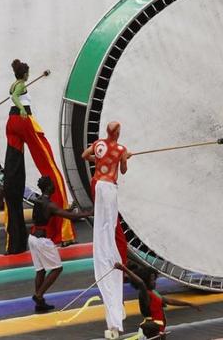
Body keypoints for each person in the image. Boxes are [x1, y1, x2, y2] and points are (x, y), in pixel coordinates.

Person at [3, 59, 75, 254]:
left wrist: (16, 108)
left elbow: (14, 95)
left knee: (12, 174)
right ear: (25, 74)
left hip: (11, 122)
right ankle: (63, 232)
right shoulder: (21, 85)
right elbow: (17, 97)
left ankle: (15, 241)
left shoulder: (13, 84)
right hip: (24, 120)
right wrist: (21, 109)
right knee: (49, 166)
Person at [81, 121, 131, 338]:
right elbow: (123, 171)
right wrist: (125, 159)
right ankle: (109, 249)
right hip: (109, 185)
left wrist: (98, 159)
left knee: (103, 223)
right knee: (109, 225)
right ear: (118, 133)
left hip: (96, 182)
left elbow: (85, 156)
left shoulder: (98, 143)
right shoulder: (120, 149)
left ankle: (105, 242)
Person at [29, 176, 92, 312]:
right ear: (49, 188)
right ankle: (38, 295)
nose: (54, 186)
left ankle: (39, 302)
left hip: (33, 238)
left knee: (40, 270)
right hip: (43, 241)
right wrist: (89, 213)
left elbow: (57, 213)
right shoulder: (50, 205)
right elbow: (68, 217)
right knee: (57, 268)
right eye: (52, 184)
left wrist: (71, 209)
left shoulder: (39, 200)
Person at [115, 263, 199, 337]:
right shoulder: (145, 293)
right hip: (151, 329)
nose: (154, 282)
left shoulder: (154, 292)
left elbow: (169, 301)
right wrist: (123, 268)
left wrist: (189, 304)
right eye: (152, 280)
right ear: (146, 280)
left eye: (154, 279)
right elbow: (141, 283)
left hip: (158, 327)